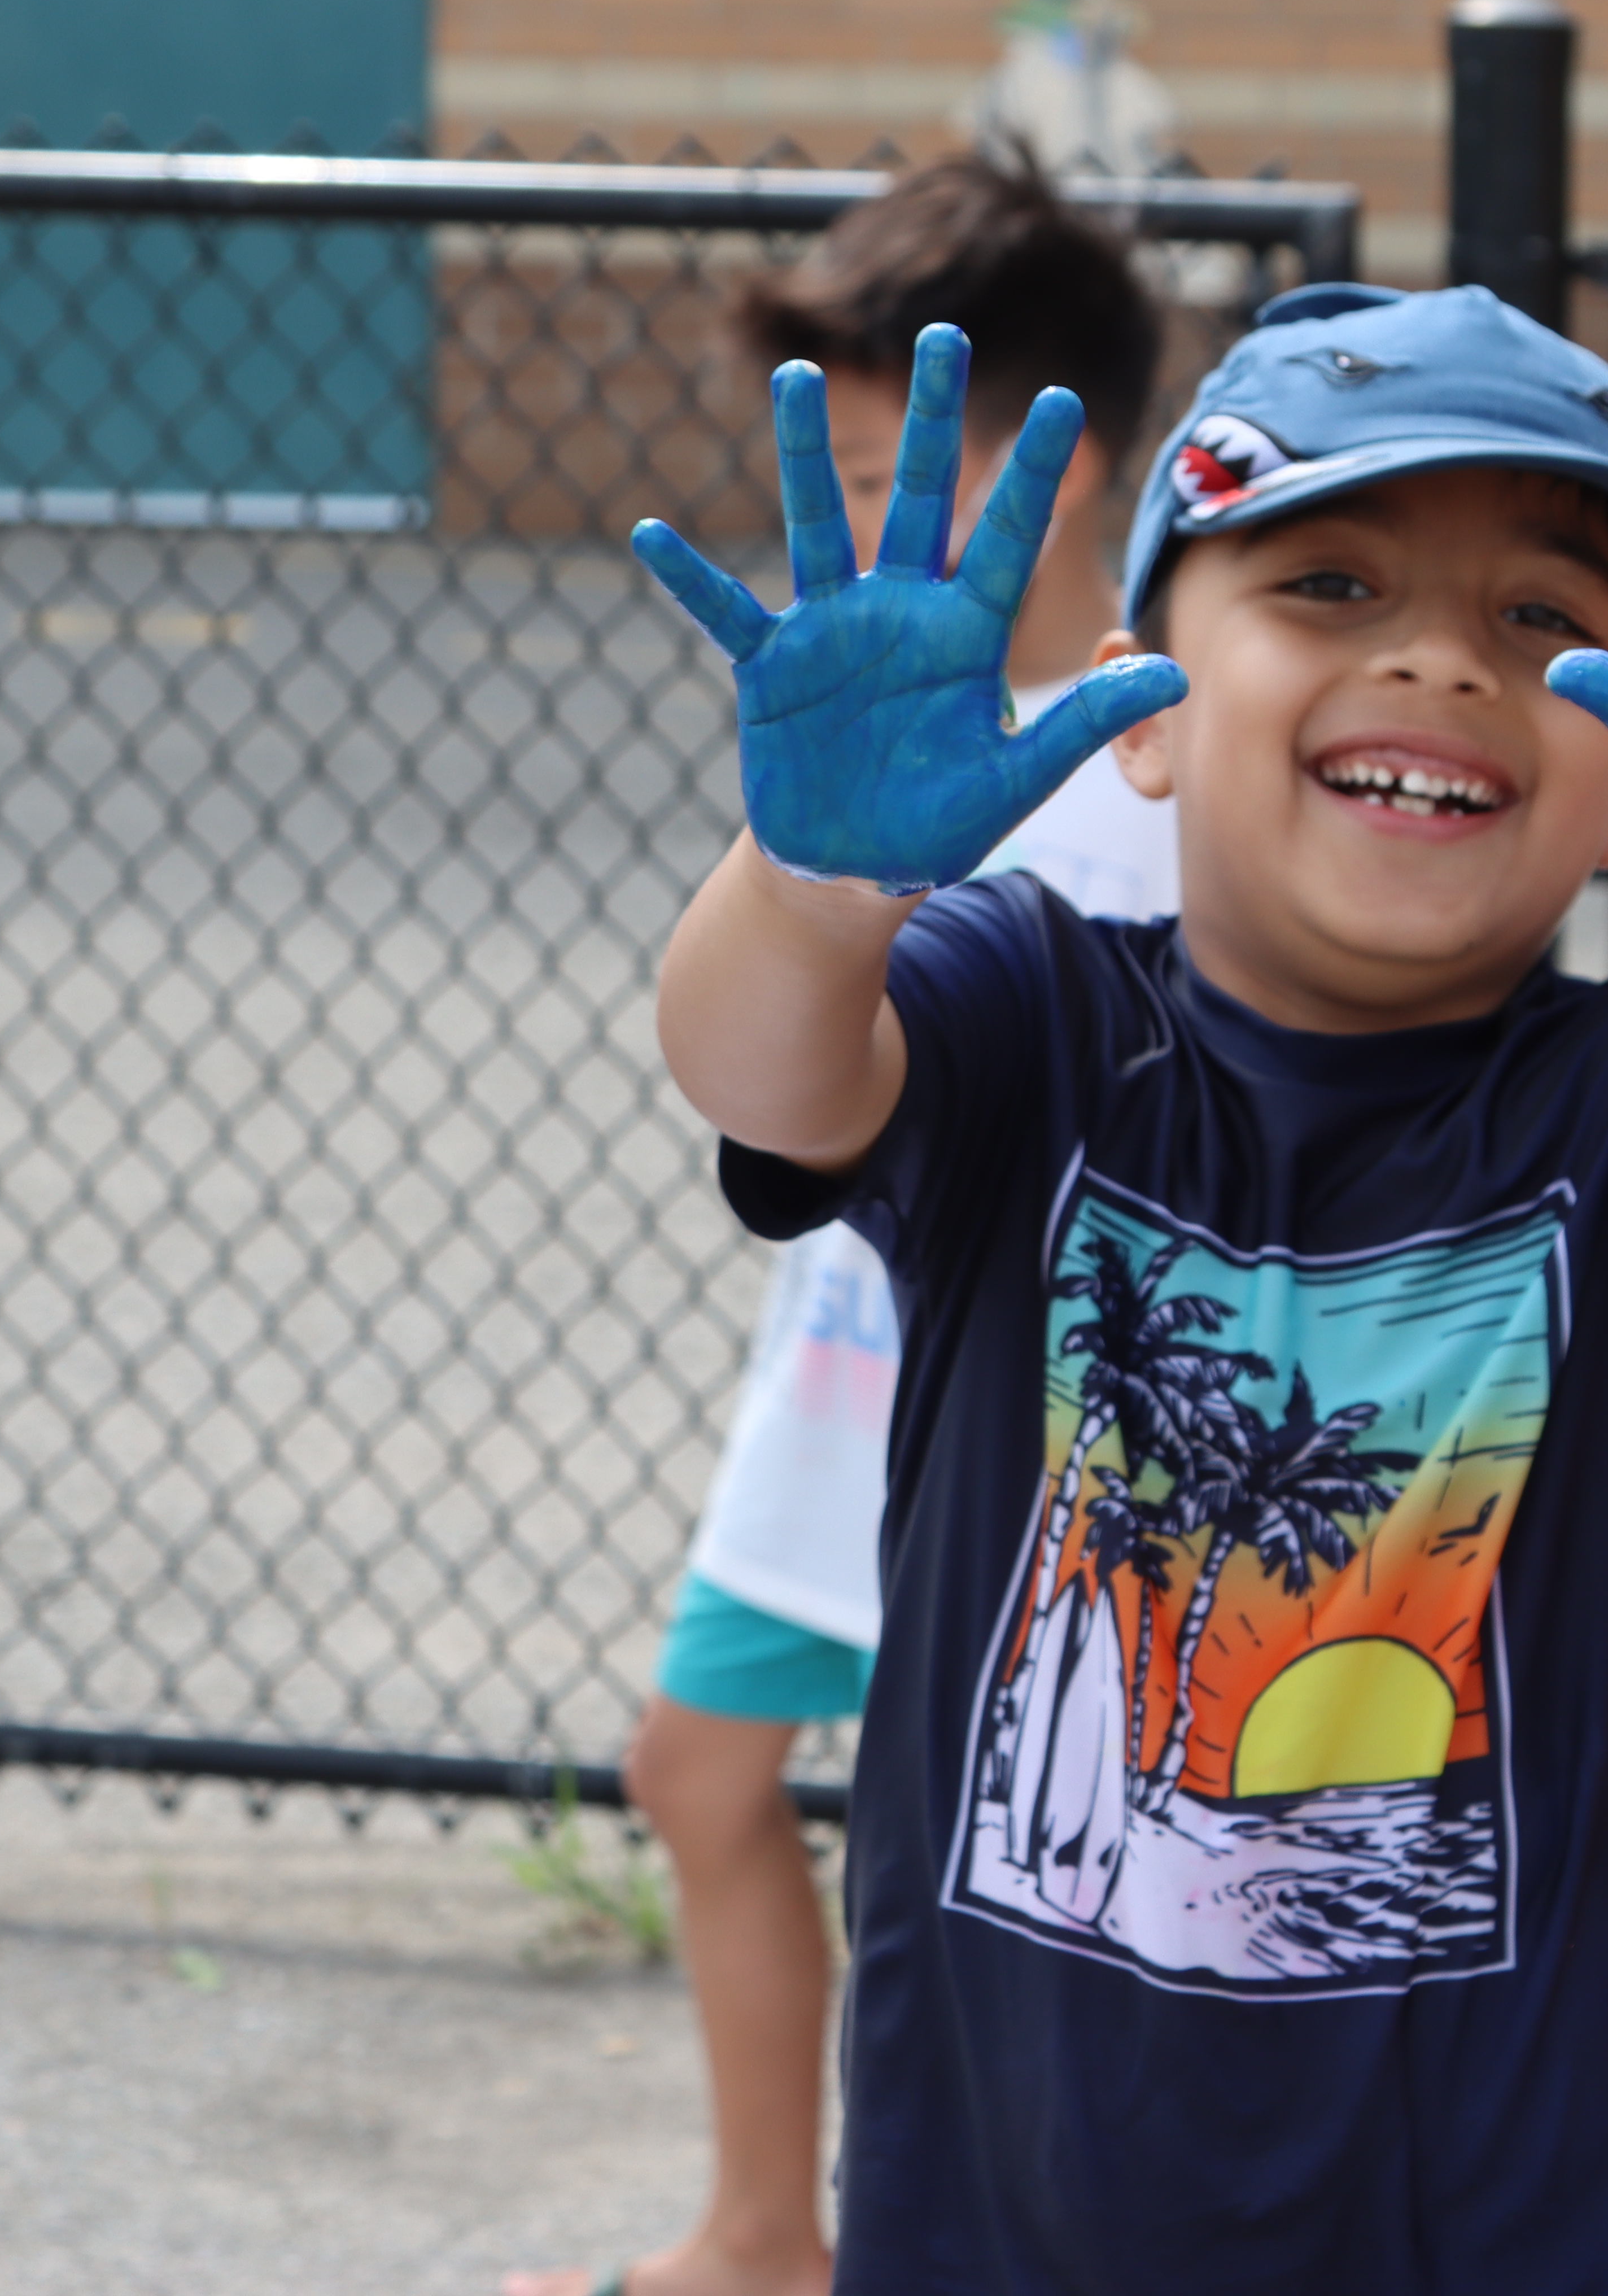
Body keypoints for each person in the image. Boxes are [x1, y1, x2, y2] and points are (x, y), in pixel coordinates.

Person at [624, 282, 1608, 2291]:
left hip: (1518, 2223)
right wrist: (815, 885)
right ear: (1142, 705)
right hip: (1002, 2212)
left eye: (1543, 621)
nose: (1437, 656)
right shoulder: (1024, 1006)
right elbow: (761, 1067)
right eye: (1327, 580)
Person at [510, 156, 1172, 2296]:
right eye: (844, 468)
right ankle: (757, 2233)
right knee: (699, 1765)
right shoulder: (895, 750)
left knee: (977, 1875)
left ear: (1059, 466)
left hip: (1037, 1438)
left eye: (900, 471)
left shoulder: (1183, 760)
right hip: (837, 1380)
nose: (859, 521)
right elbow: (754, 1071)